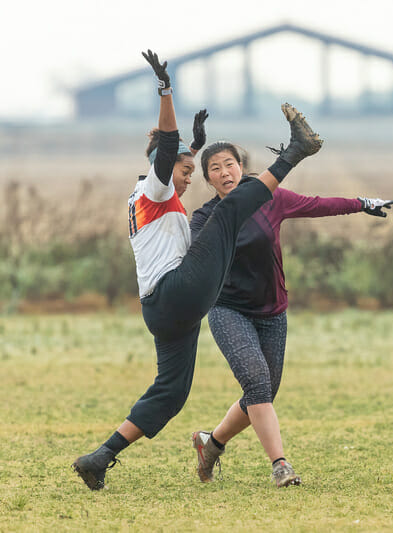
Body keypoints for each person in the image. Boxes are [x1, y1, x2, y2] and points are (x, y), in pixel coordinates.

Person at [72, 49, 323, 491]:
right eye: (186, 171)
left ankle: (100, 456)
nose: (189, 179)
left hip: (161, 310)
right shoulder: (155, 185)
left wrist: (194, 142)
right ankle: (296, 152)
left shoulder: (143, 196)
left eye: (191, 171)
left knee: (170, 393)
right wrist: (166, 90)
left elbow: (170, 151)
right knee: (228, 214)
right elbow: (165, 151)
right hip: (178, 291)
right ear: (161, 168)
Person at [188, 142, 393, 487]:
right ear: (208, 180)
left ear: (242, 166)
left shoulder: (271, 199)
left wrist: (362, 204)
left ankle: (211, 442)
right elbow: (196, 258)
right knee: (257, 384)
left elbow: (316, 205)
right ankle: (280, 465)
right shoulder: (205, 218)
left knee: (262, 392)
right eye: (215, 169)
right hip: (228, 310)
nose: (224, 173)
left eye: (229, 164)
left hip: (272, 311)